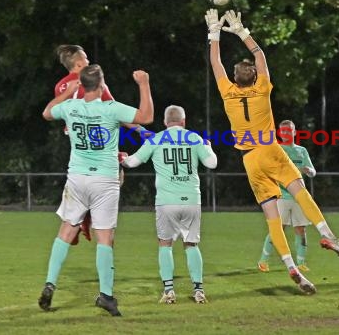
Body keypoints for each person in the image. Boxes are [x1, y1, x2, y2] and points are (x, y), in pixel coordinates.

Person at [206, 9, 339, 295]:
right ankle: (327, 235)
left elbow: (215, 63)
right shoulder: (262, 88)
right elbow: (260, 57)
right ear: (255, 76)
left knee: (272, 217)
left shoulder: (227, 91)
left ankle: (290, 267)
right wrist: (241, 31)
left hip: (249, 159)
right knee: (300, 192)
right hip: (270, 150)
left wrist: (214, 32)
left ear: (235, 78)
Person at [38, 64, 154, 316]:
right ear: (102, 86)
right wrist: (143, 84)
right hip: (104, 180)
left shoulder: (71, 107)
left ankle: (50, 283)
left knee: (66, 232)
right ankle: (106, 295)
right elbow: (146, 117)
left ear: (82, 85)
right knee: (105, 238)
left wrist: (68, 92)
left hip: (77, 177)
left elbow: (47, 112)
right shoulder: (110, 109)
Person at [120, 105, 217, 304]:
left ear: (165, 122)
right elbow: (212, 163)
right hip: (191, 199)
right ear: (183, 121)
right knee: (191, 244)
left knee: (165, 244)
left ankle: (169, 291)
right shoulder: (194, 138)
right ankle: (199, 290)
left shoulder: (156, 139)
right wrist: (208, 147)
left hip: (166, 201)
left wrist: (122, 158)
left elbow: (132, 163)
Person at [54, 44, 146, 245]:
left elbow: (56, 111)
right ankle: (88, 217)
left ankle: (78, 219)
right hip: (98, 137)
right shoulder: (94, 83)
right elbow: (116, 112)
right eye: (86, 58)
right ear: (79, 63)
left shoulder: (61, 86)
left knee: (80, 182)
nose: (89, 61)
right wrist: (141, 130)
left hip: (77, 140)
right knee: (115, 174)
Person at [257, 120, 316, 273]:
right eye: (283, 131)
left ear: (294, 132)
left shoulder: (301, 151)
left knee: (301, 229)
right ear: (279, 133)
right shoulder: (276, 150)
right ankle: (263, 260)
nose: (286, 133)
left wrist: (309, 170)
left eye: (289, 130)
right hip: (282, 196)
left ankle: (301, 263)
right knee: (277, 229)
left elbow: (312, 171)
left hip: (298, 197)